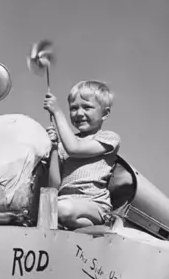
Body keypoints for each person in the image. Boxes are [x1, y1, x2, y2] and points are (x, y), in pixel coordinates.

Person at [43, 80, 121, 229]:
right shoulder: (63, 145)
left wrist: (57, 112)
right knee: (52, 210)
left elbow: (75, 149)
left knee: (58, 209)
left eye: (87, 107)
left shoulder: (109, 138)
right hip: (64, 202)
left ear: (105, 113)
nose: (79, 113)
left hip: (93, 203)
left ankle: (101, 221)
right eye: (73, 108)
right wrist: (53, 148)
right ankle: (85, 226)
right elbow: (54, 185)